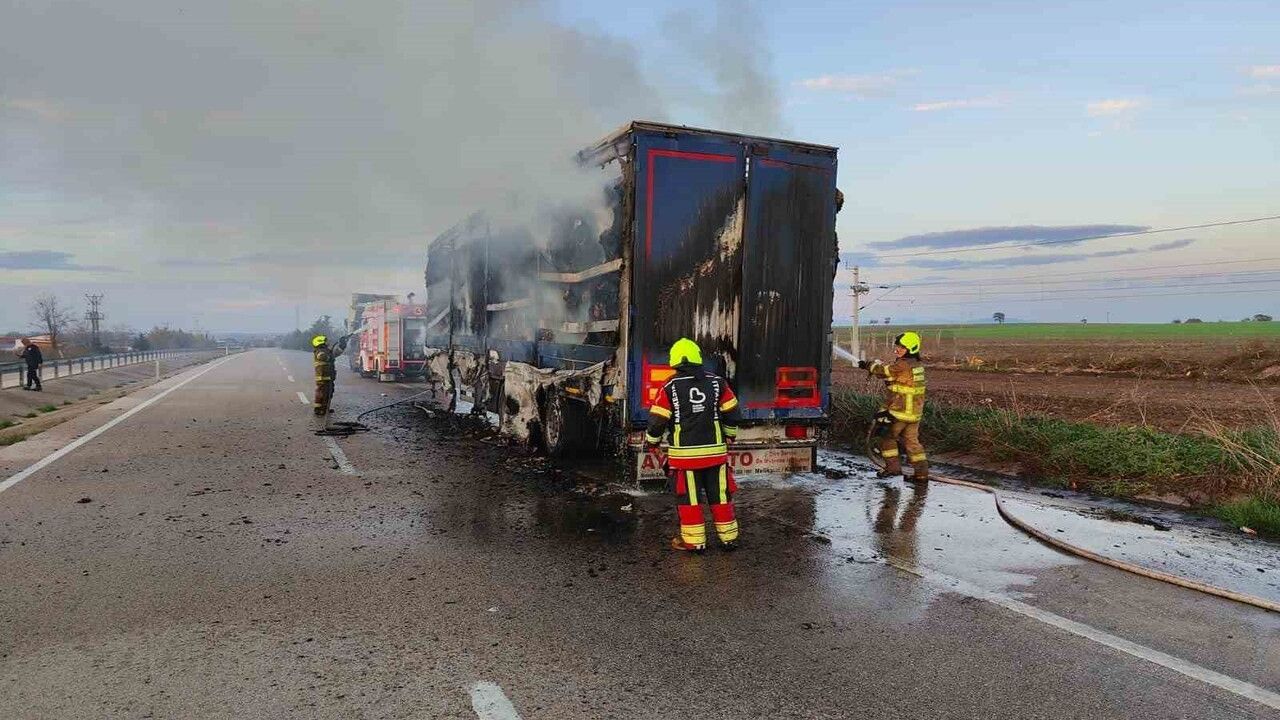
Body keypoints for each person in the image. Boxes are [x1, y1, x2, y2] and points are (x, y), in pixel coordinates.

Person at [644, 338, 743, 552]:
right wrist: (729, 435)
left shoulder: (669, 386)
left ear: (676, 361)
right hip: (716, 456)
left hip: (685, 459)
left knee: (689, 500)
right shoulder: (718, 382)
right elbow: (733, 413)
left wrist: (652, 442)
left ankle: (695, 542)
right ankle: (729, 539)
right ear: (698, 359)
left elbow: (657, 421)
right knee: (721, 497)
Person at [859, 331, 928, 482]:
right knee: (913, 444)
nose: (897, 350)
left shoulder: (902, 365)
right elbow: (893, 378)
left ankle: (893, 469)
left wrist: (869, 365)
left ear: (911, 348)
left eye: (901, 347)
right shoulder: (916, 365)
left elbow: (884, 371)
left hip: (900, 412)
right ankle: (921, 475)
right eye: (897, 346)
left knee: (886, 438)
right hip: (914, 413)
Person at [312, 334, 351, 417]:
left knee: (329, 392)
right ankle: (318, 409)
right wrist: (330, 355)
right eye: (325, 341)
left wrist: (342, 345)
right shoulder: (320, 351)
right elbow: (322, 356)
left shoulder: (327, 351)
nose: (327, 343)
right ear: (320, 343)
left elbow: (337, 352)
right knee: (322, 392)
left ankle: (325, 408)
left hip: (328, 376)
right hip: (322, 377)